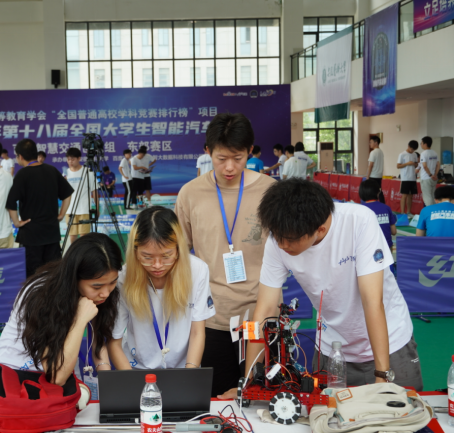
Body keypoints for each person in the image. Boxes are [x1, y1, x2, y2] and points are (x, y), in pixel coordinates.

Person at [225, 179, 421, 399]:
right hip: (332, 350)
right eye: (276, 236)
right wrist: (249, 383)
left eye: (289, 240)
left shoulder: (359, 221)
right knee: (328, 414)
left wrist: (382, 375)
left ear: (320, 230)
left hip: (391, 345)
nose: (281, 245)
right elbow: (265, 309)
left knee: (400, 411)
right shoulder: (279, 239)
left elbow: (371, 301)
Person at [174, 113, 276, 397]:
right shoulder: (190, 194)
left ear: (250, 151)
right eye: (221, 158)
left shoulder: (270, 192)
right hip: (210, 318)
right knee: (216, 402)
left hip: (260, 315)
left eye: (238, 158)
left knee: (260, 399)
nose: (230, 167)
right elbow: (178, 254)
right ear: (207, 151)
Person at [0, 233, 122, 393]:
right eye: (96, 287)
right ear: (75, 277)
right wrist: (80, 319)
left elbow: (98, 337)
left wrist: (106, 380)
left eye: (113, 282)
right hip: (18, 372)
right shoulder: (42, 295)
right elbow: (56, 377)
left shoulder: (102, 290)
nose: (105, 293)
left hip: (60, 365)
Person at [108, 207, 214, 370]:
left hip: (183, 369)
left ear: (178, 249)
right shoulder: (123, 277)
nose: (157, 265)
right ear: (135, 252)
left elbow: (197, 332)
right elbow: (114, 340)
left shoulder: (198, 270)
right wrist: (131, 380)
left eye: (166, 256)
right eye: (147, 257)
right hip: (137, 369)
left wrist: (189, 375)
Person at [7, 139, 73, 277]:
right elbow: (67, 194)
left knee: (33, 276)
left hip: (31, 234)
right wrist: (61, 214)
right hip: (51, 232)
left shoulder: (22, 174)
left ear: (20, 156)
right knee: (53, 275)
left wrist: (17, 222)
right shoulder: (51, 170)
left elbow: (11, 202)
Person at [65, 147, 96, 246]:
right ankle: (74, 254)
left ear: (79, 158)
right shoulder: (65, 174)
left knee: (84, 236)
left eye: (72, 159)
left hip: (84, 209)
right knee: (72, 236)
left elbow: (94, 191)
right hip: (70, 210)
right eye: (68, 159)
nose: (70, 161)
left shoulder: (88, 172)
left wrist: (96, 208)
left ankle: (84, 254)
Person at [359, 179, 397, 250]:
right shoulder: (386, 208)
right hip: (387, 248)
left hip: (368, 248)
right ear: (378, 192)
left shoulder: (360, 210)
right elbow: (394, 231)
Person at [397, 140, 419, 215]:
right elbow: (398, 166)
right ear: (408, 146)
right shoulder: (402, 154)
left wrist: (414, 164)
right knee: (404, 195)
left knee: (410, 196)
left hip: (413, 177)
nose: (412, 151)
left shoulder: (414, 154)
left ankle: (408, 212)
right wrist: (407, 163)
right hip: (405, 178)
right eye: (411, 149)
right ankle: (402, 212)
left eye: (414, 150)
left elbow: (416, 165)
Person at [419, 136, 440, 207]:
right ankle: (434, 211)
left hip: (426, 178)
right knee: (433, 195)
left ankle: (430, 212)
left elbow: (425, 166)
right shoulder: (434, 153)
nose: (421, 145)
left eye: (421, 143)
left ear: (425, 144)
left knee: (427, 197)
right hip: (433, 178)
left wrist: (430, 175)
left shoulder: (423, 153)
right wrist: (435, 175)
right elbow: (438, 165)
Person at [367, 135, 386, 204]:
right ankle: (383, 205)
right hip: (379, 176)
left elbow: (371, 165)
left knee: (372, 192)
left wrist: (367, 176)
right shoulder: (381, 152)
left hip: (373, 176)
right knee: (379, 191)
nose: (370, 144)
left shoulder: (373, 152)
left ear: (376, 142)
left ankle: (372, 205)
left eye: (371, 142)